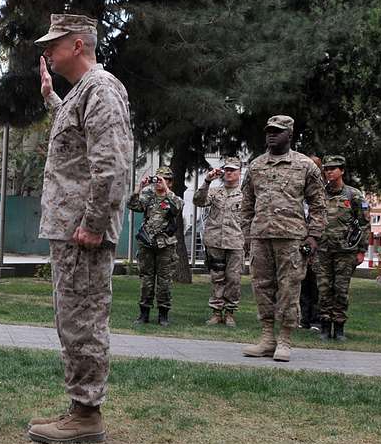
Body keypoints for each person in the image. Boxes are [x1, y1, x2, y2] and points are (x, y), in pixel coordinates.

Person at [27, 13, 132, 444]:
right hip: (71, 228)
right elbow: (78, 139)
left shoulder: (101, 88)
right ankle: (80, 407)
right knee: (72, 317)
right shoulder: (82, 93)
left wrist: (94, 223)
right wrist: (53, 98)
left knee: (83, 319)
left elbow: (111, 164)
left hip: (81, 231)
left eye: (54, 43)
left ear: (77, 45)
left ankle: (87, 414)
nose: (46, 51)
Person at [240, 115, 325, 362]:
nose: (271, 135)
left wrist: (313, 236)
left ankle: (285, 339)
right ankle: (267, 338)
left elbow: (319, 205)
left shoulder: (305, 165)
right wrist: (247, 234)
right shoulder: (255, 166)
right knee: (262, 287)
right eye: (268, 131)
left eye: (277, 131)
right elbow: (246, 205)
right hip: (261, 237)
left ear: (290, 134)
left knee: (289, 289)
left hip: (291, 239)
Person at [314, 155, 370, 341]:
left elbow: (364, 224)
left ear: (342, 171)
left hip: (345, 251)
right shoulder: (319, 194)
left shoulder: (353, 195)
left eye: (334, 168)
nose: (329, 171)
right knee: (323, 289)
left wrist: (362, 250)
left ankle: (338, 327)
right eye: (327, 168)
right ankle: (324, 326)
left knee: (341, 290)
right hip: (322, 250)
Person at [128, 167, 183, 325]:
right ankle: (144, 313)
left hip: (166, 245)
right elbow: (132, 205)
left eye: (164, 179)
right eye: (158, 179)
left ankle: (163, 314)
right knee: (146, 279)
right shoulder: (148, 195)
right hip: (147, 243)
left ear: (170, 182)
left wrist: (166, 190)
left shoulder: (172, 198)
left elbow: (177, 207)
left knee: (164, 281)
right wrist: (139, 188)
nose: (159, 182)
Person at [193, 157, 244, 327]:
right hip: (215, 241)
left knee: (234, 279)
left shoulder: (245, 194)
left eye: (233, 170)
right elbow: (198, 201)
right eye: (227, 170)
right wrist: (207, 181)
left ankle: (229, 313)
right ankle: (216, 312)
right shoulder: (215, 192)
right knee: (217, 278)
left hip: (235, 242)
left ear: (239, 173)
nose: (229, 173)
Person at [298, 155, 324, 331]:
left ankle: (316, 320)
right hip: (299, 242)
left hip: (319, 245)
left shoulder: (322, 190)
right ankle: (303, 319)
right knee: (301, 282)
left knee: (317, 284)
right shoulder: (298, 190)